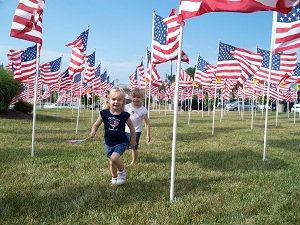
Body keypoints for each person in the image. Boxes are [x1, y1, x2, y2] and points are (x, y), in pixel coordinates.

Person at [90, 87, 136, 185]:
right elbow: (96, 125)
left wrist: (133, 140)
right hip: (109, 143)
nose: (116, 102)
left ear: (123, 102)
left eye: (119, 100)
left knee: (114, 158)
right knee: (112, 162)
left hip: (121, 142)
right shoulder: (104, 113)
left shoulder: (124, 115)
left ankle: (122, 171)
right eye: (114, 99)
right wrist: (93, 131)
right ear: (108, 100)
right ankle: (114, 178)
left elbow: (132, 128)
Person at [125, 88, 150, 165]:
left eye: (138, 97)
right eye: (134, 97)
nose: (136, 99)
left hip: (136, 131)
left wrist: (148, 135)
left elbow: (147, 123)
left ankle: (133, 161)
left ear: (142, 98)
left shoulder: (143, 110)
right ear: (131, 97)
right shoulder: (126, 107)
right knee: (123, 145)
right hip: (126, 130)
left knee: (134, 146)